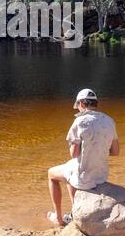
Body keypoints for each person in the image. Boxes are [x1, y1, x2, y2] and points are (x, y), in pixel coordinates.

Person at [47, 88, 119, 226]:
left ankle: (59, 218)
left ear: (80, 103)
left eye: (78, 106)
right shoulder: (109, 121)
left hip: (85, 178)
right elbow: (115, 151)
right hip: (101, 175)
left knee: (51, 174)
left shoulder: (79, 122)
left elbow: (74, 153)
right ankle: (76, 212)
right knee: (70, 167)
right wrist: (98, 149)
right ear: (95, 103)